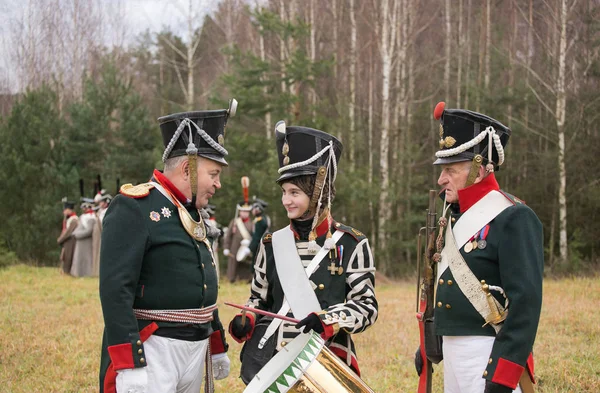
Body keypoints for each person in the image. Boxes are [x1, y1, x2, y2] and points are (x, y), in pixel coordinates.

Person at [98, 99, 238, 393]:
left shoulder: (192, 212)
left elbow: (201, 283)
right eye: (214, 174)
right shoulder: (134, 207)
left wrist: (216, 343)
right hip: (153, 350)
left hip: (193, 348)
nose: (218, 184)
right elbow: (115, 290)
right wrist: (129, 362)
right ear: (188, 168)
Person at [228, 121, 378, 384]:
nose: (286, 200)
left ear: (317, 191)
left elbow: (367, 307)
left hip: (327, 362)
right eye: (284, 192)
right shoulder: (271, 243)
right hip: (276, 361)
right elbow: (259, 299)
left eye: (295, 192)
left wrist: (328, 319)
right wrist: (248, 316)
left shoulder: (353, 243)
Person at [415, 102, 544, 393]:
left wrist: (502, 375)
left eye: (450, 169)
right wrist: (429, 343)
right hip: (453, 354)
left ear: (479, 168)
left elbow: (525, 307)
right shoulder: (452, 218)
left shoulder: (513, 217)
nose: (441, 179)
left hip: (488, 355)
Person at [223, 179, 254, 283]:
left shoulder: (252, 223)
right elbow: (228, 236)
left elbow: (254, 236)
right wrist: (226, 248)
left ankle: (246, 279)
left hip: (246, 246)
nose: (245, 213)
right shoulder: (235, 222)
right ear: (240, 211)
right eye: (243, 211)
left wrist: (249, 243)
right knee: (233, 264)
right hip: (234, 246)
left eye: (247, 211)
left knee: (246, 264)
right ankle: (232, 279)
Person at [236, 196, 271, 262]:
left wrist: (249, 248)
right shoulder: (263, 218)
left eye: (253, 209)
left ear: (258, 210)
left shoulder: (260, 221)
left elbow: (257, 237)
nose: (252, 210)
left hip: (259, 248)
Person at [71, 200, 97, 277]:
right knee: (78, 258)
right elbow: (79, 227)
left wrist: (77, 235)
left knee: (86, 258)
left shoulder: (91, 217)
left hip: (86, 242)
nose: (84, 209)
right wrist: (75, 233)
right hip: (80, 242)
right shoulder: (83, 217)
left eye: (85, 207)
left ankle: (87, 273)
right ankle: (77, 273)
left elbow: (88, 231)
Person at [57, 197, 78, 275]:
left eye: (65, 210)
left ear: (70, 210)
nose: (64, 212)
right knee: (65, 256)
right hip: (67, 240)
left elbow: (68, 232)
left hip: (71, 240)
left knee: (68, 256)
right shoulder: (68, 219)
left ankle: (67, 272)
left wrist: (60, 239)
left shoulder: (74, 219)